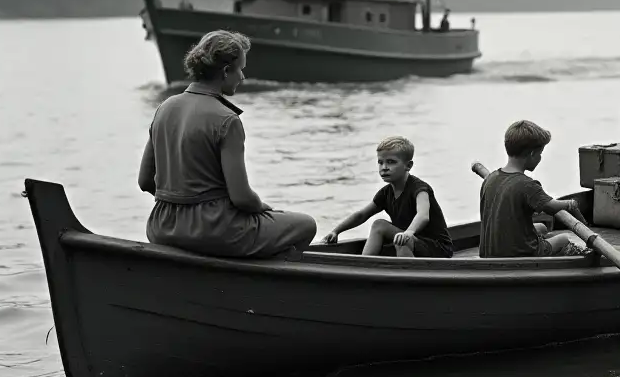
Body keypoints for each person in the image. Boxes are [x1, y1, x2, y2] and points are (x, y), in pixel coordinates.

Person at [137, 30, 318, 258]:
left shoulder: (164, 108)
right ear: (225, 71)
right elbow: (242, 198)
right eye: (240, 69)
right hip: (213, 231)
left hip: (161, 227)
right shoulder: (227, 120)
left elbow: (145, 181)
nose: (242, 77)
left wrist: (180, 204)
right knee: (306, 224)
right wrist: (261, 207)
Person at [322, 136, 453, 258]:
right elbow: (362, 215)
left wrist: (408, 232)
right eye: (380, 162)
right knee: (379, 225)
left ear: (408, 166)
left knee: (401, 240)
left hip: (437, 249)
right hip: (410, 241)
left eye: (391, 162)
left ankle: (407, 276)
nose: (384, 168)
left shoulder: (420, 189)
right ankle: (364, 266)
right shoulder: (385, 193)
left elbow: (423, 216)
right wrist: (336, 231)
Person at [479, 120, 589, 258]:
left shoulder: (490, 179)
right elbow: (551, 207)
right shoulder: (527, 185)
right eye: (540, 153)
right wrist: (570, 204)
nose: (540, 158)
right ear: (531, 154)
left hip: (489, 252)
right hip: (519, 253)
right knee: (564, 239)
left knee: (542, 228)